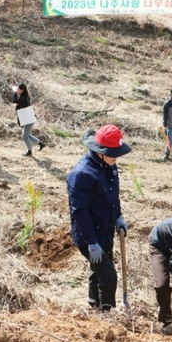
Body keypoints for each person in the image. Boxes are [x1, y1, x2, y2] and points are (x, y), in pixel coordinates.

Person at [67, 125, 130, 311]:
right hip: (90, 235)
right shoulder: (82, 174)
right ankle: (106, 312)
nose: (116, 158)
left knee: (98, 270)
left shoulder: (109, 165)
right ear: (100, 151)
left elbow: (113, 195)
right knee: (109, 277)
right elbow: (79, 212)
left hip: (106, 229)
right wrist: (91, 243)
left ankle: (94, 303)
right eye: (112, 154)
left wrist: (118, 216)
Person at [12, 83, 43, 156]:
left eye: (19, 89)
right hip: (25, 117)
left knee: (24, 136)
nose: (17, 90)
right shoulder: (23, 96)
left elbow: (15, 101)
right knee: (27, 134)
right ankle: (40, 143)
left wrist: (14, 92)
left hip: (28, 118)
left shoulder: (24, 98)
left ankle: (29, 151)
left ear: (22, 90)